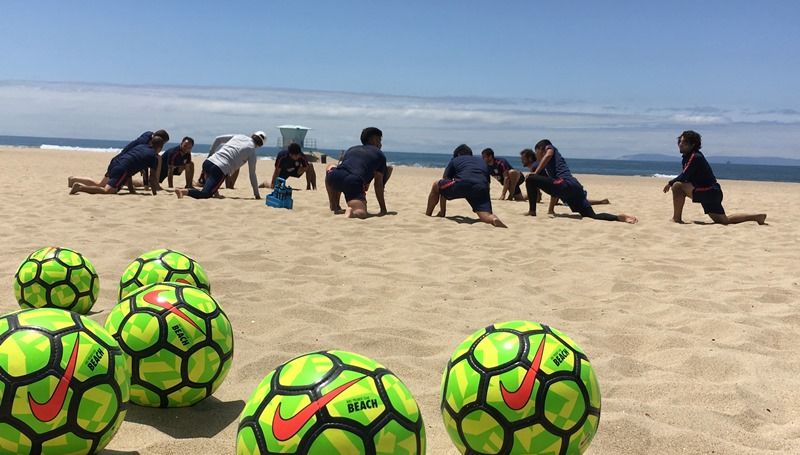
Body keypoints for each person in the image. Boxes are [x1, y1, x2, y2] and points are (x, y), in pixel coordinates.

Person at [663, 130, 766, 225]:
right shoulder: (689, 157)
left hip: (708, 191)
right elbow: (687, 176)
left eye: (684, 142)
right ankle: (757, 217)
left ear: (692, 144)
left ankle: (676, 219)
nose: (680, 144)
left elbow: (684, 175)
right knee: (724, 220)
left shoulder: (695, 156)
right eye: (679, 142)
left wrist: (670, 183)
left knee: (677, 186)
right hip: (712, 192)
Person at [524, 140, 637, 223]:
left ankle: (532, 211)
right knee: (592, 216)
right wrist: (551, 209)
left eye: (536, 151)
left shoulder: (549, 148)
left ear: (541, 149)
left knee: (530, 178)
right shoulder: (550, 166)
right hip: (573, 189)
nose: (536, 155)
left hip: (566, 183)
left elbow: (548, 154)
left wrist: (536, 172)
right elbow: (555, 190)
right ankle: (619, 217)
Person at [426, 144, 507, 228]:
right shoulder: (481, 162)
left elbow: (444, 182)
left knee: (436, 185)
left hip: (463, 183)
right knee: (486, 215)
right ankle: (493, 219)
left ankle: (428, 214)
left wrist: (443, 211)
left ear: (458, 155)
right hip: (481, 187)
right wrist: (486, 204)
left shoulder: (455, 160)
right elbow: (487, 183)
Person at [175, 131, 266, 200]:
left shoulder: (239, 136)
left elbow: (218, 139)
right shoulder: (252, 152)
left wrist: (210, 154)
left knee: (212, 183)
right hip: (219, 169)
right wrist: (256, 194)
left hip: (208, 163)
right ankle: (184, 192)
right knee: (206, 194)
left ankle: (216, 192)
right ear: (260, 145)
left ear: (252, 135)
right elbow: (252, 174)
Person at [325, 127, 388, 218]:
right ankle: (352, 213)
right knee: (361, 212)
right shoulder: (379, 154)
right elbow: (378, 184)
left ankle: (334, 205)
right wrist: (383, 209)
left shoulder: (351, 149)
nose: (380, 144)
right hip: (353, 180)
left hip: (334, 176)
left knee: (330, 166)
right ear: (373, 139)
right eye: (379, 140)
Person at [69, 136, 165, 195]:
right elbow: (152, 178)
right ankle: (80, 187)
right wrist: (154, 193)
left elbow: (130, 167)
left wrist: (132, 191)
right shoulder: (153, 156)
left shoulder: (141, 146)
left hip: (116, 162)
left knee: (100, 184)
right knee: (108, 190)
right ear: (160, 148)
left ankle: (74, 179)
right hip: (122, 169)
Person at [520, 148, 610, 210]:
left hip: (562, 188)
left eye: (523, 159)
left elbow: (551, 183)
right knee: (577, 201)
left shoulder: (535, 167)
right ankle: (601, 201)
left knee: (575, 202)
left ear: (530, 158)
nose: (521, 161)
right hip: (564, 186)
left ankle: (601, 201)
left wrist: (551, 209)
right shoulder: (538, 165)